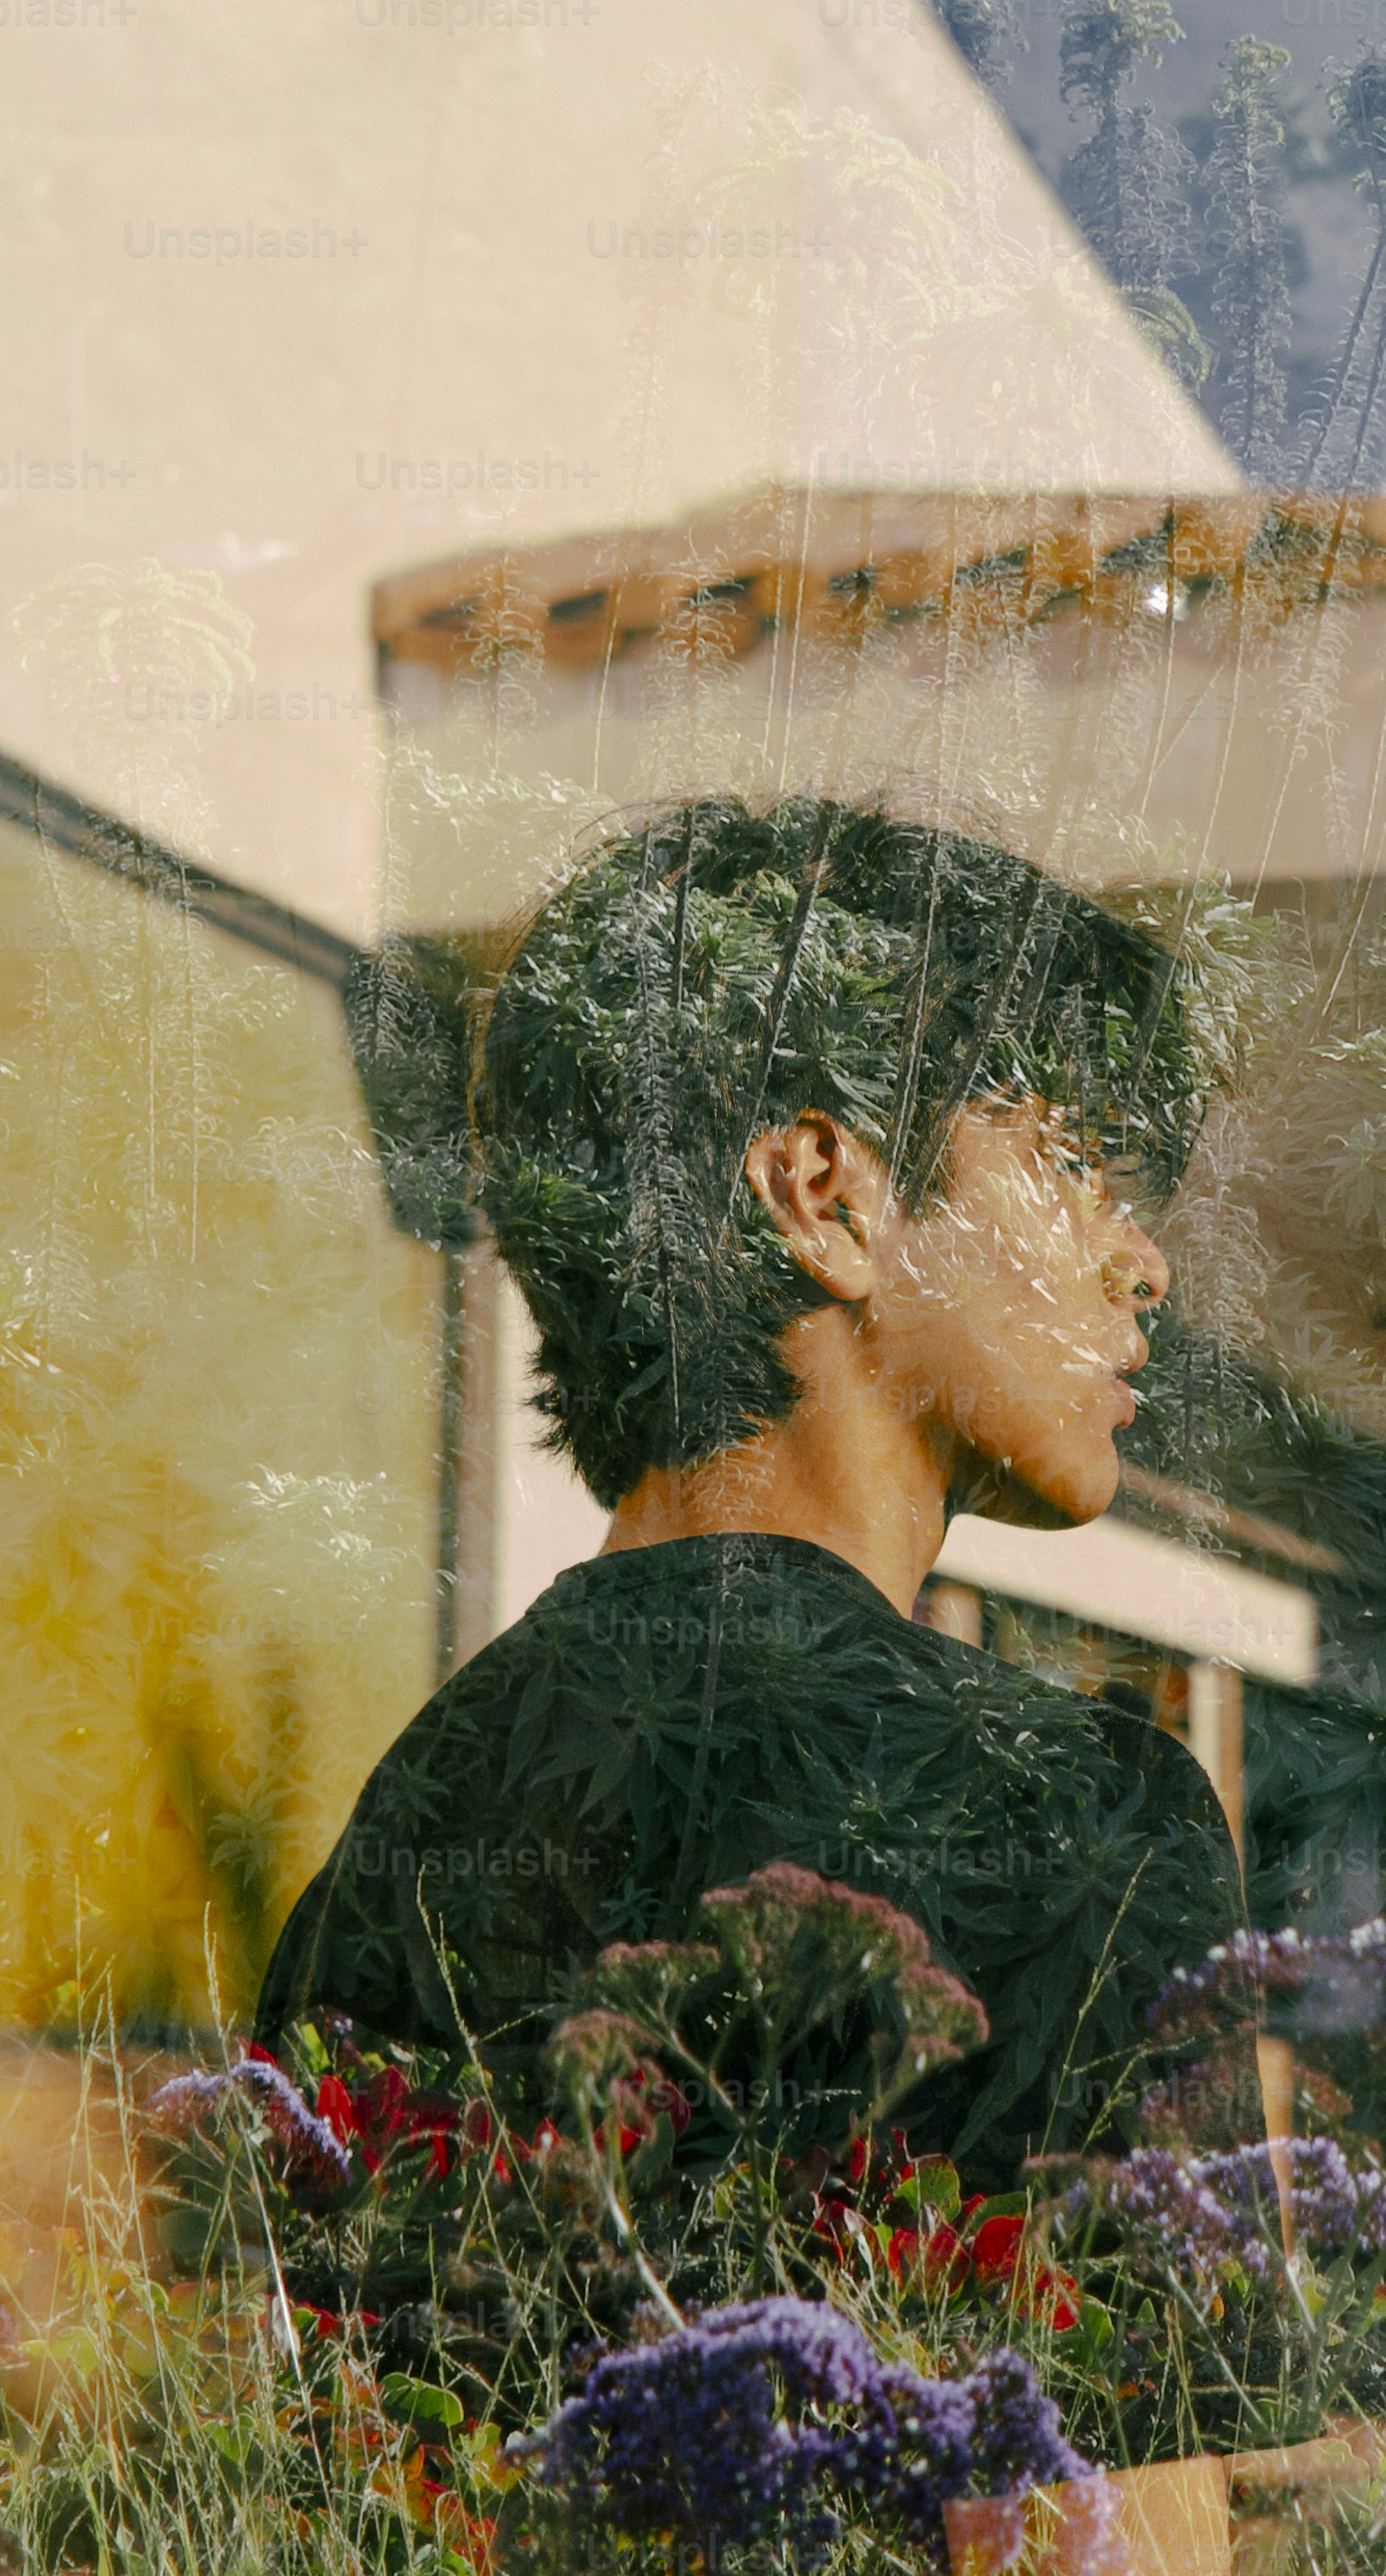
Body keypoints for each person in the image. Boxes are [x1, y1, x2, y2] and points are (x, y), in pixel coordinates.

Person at [256, 795, 1238, 2174]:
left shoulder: (396, 1844)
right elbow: (1164, 2376)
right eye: (1072, 1163)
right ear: (824, 1196)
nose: (1148, 1265)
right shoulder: (1082, 1814)